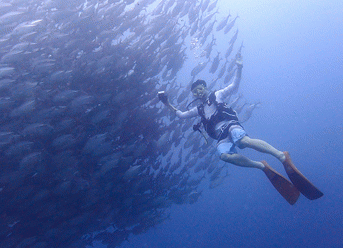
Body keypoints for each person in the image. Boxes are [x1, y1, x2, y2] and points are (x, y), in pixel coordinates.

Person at [158, 54, 323, 205]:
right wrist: (167, 103)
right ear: (193, 95)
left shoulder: (218, 95)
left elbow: (234, 86)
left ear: (205, 88)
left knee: (243, 142)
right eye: (195, 92)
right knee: (224, 156)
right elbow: (180, 115)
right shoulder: (198, 110)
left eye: (200, 88)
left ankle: (281, 156)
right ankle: (261, 166)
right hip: (221, 135)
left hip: (230, 125)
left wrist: (239, 67)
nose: (198, 92)